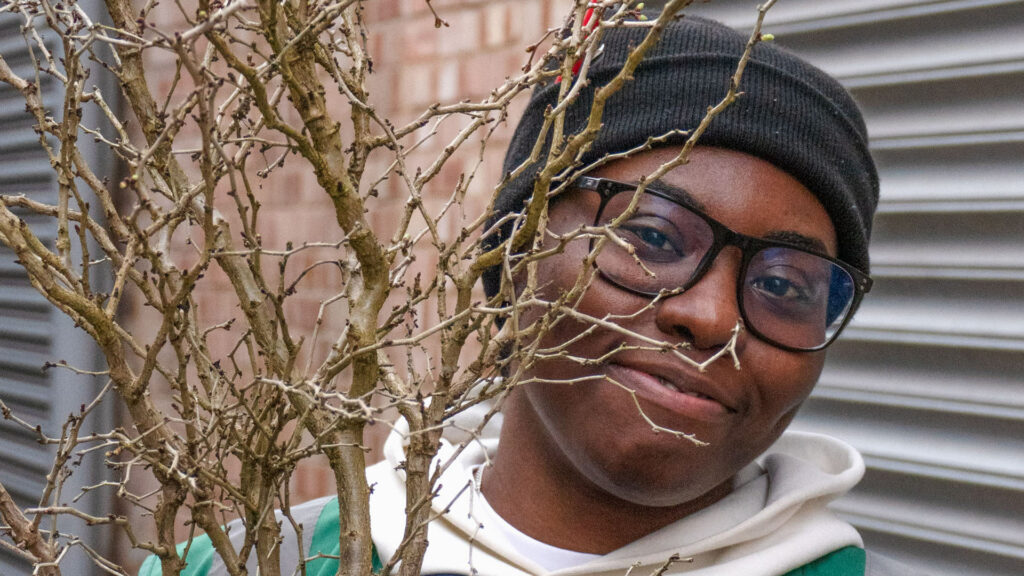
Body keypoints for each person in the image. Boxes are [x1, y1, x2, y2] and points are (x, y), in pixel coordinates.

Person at [140, 13, 923, 576]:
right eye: (651, 238)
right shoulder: (252, 562)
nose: (713, 316)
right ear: (515, 252)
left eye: (785, 285)